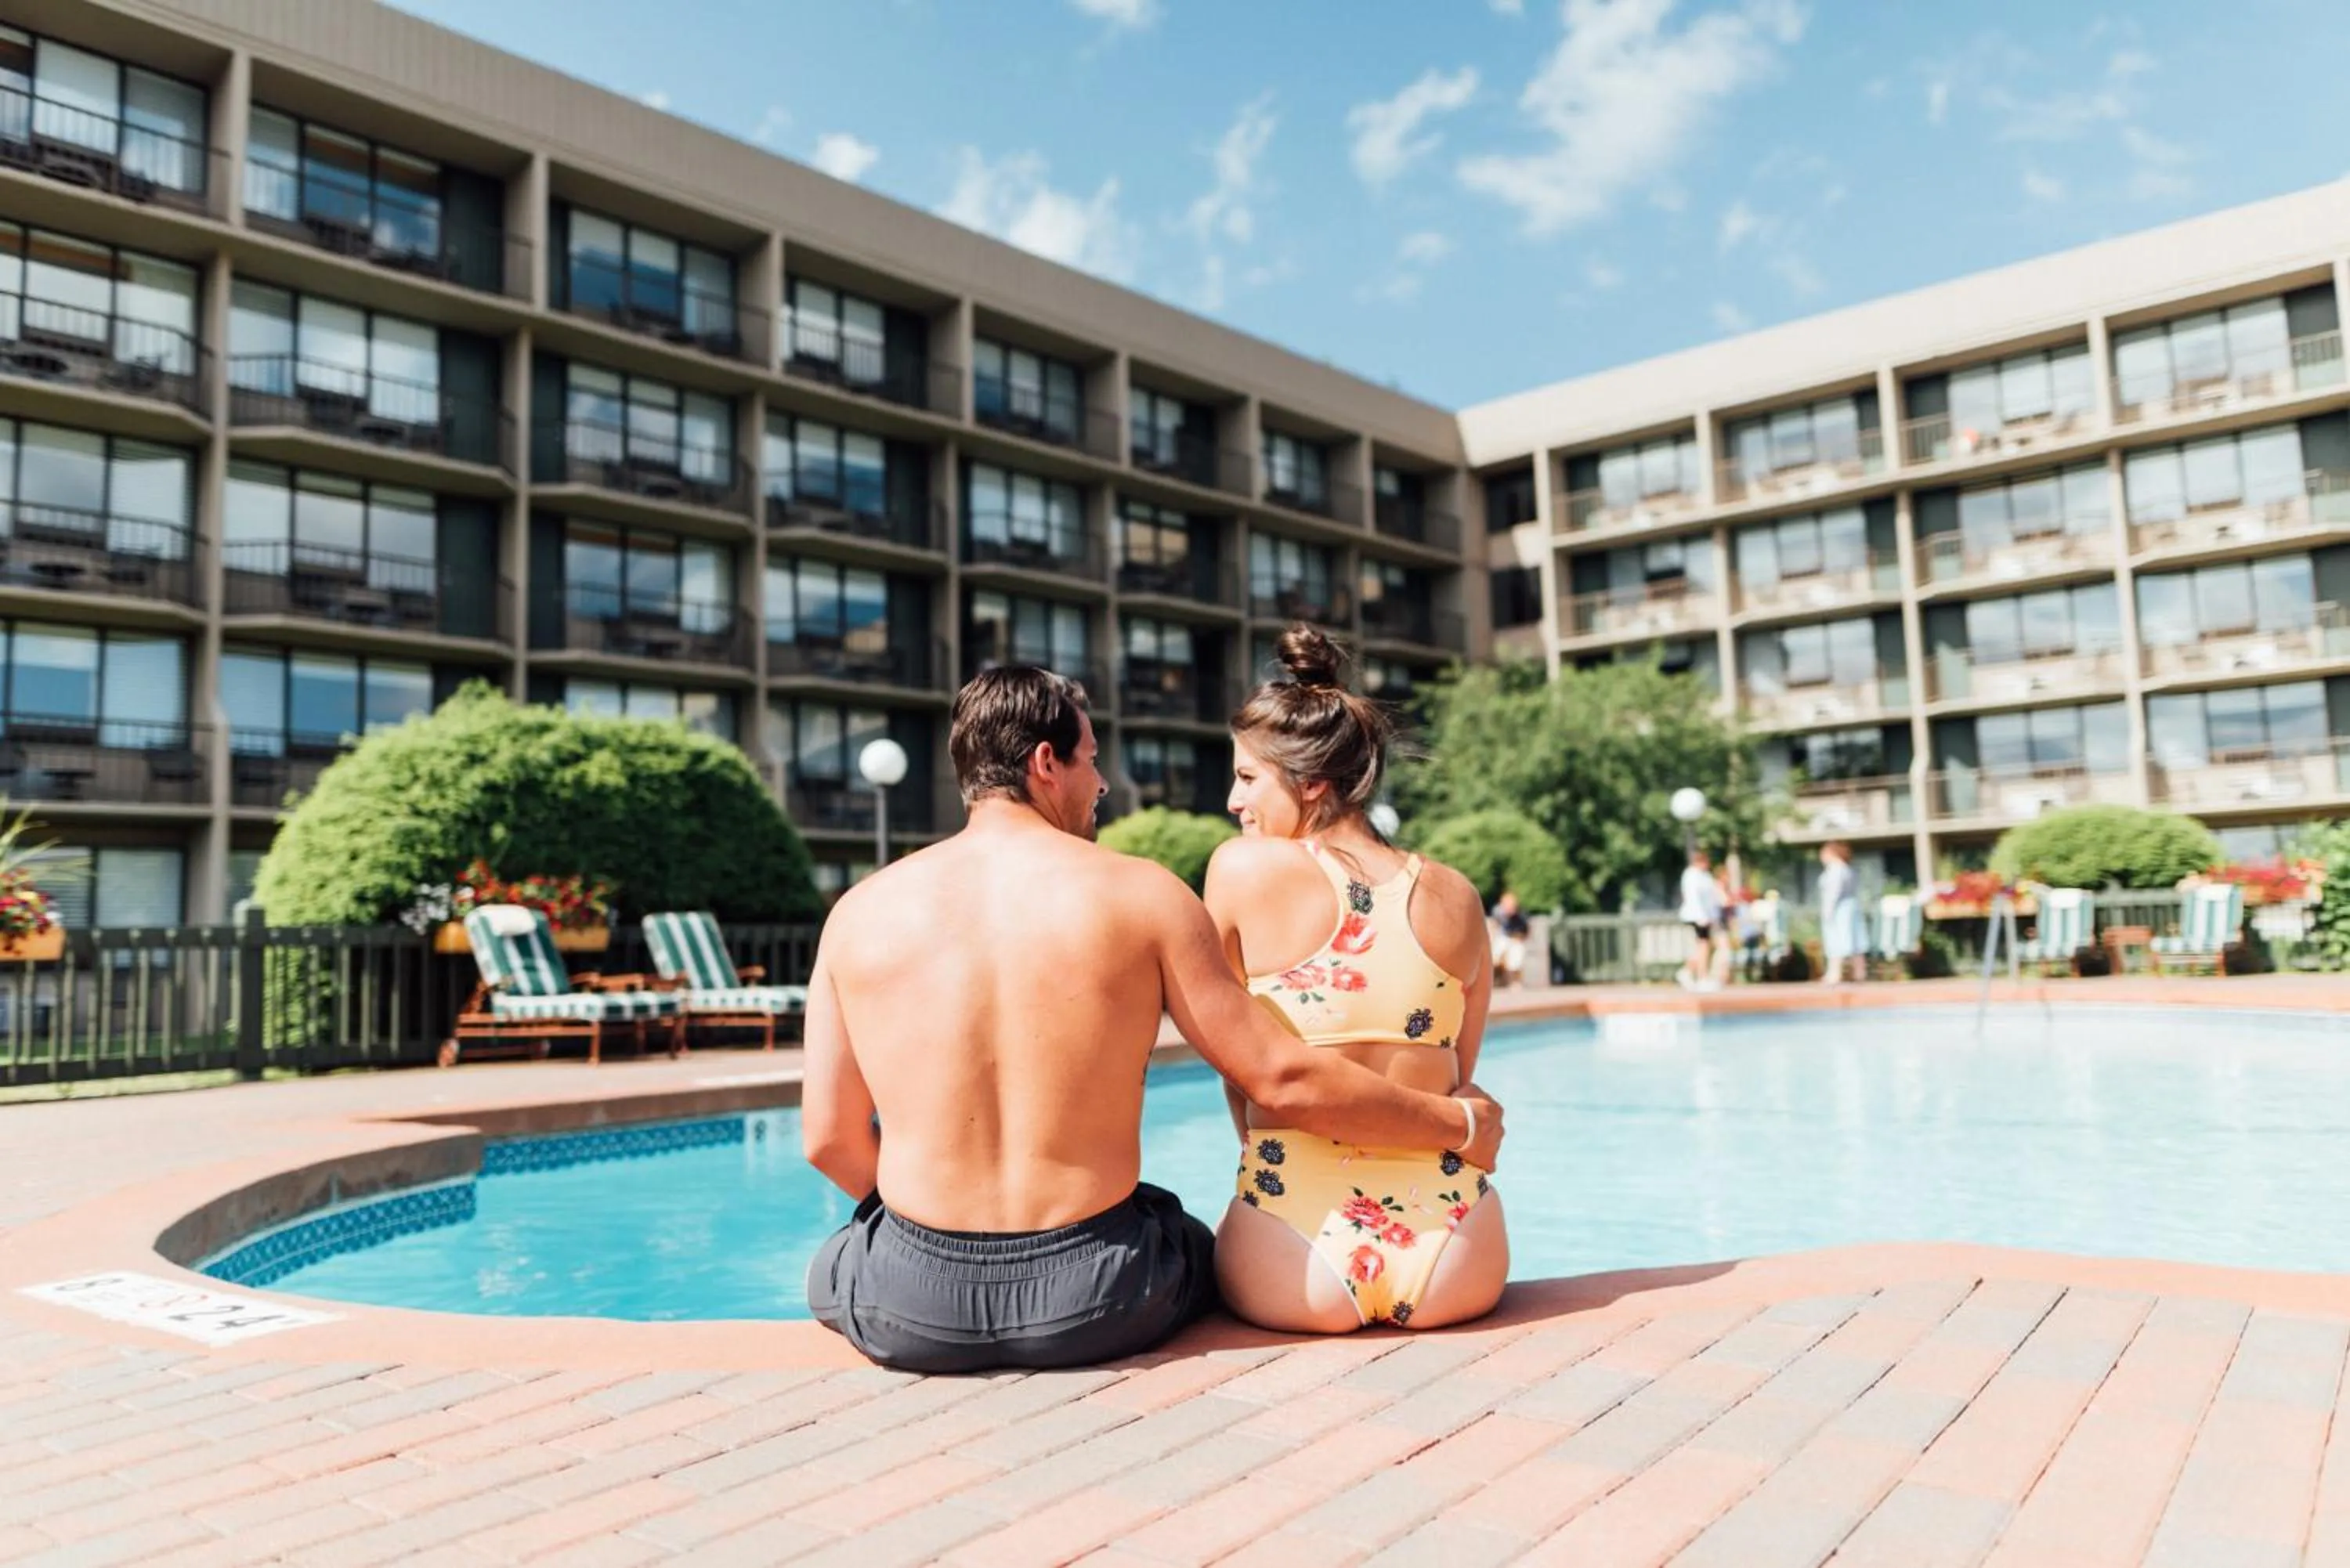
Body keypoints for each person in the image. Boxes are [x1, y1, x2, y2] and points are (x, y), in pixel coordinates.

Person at [800, 667, 1506, 1373]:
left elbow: (829, 1139)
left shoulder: (858, 912)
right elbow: (1280, 1076)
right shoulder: (1143, 895)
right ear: (1046, 764)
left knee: (837, 1257)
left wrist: (935, 1230)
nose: (1102, 785)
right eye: (1093, 760)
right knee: (1189, 1237)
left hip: (912, 1308)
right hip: (1097, 1296)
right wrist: (1460, 1125)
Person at [1203, 627, 1511, 1333]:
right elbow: (1460, 1071)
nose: (1232, 801)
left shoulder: (1242, 870)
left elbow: (1236, 1062)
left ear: (1311, 783)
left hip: (1294, 1239)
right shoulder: (1455, 893)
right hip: (1459, 1248)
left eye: (1248, 778)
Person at [1677, 846, 1725, 991]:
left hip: (1706, 916)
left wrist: (1714, 916)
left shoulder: (1705, 876)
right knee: (1703, 946)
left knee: (1704, 947)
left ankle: (1688, 972)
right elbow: (1693, 898)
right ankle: (1701, 977)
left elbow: (1712, 898)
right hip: (1697, 916)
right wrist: (1702, 917)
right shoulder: (1691, 875)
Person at [1819, 840, 1865, 985]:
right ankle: (1859, 972)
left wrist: (1828, 910)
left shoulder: (1836, 870)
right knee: (1855, 940)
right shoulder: (1846, 869)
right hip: (1850, 907)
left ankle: (1835, 973)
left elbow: (1833, 892)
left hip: (1840, 909)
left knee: (1838, 940)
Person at [1488, 888, 1531, 989]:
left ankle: (1515, 982)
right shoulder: (1497, 911)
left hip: (1516, 938)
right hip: (1502, 936)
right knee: (1495, 955)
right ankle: (1494, 981)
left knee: (1516, 956)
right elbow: (1494, 925)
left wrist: (1518, 939)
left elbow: (1526, 931)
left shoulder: (1521, 915)